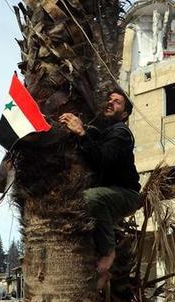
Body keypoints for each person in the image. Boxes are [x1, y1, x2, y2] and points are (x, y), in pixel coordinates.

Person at [59, 90, 141, 289]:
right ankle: (101, 273)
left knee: (90, 198)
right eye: (109, 99)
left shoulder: (121, 132)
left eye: (117, 102)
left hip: (127, 194)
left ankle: (108, 253)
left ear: (125, 113)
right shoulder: (104, 132)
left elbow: (102, 160)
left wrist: (81, 133)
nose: (111, 102)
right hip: (111, 195)